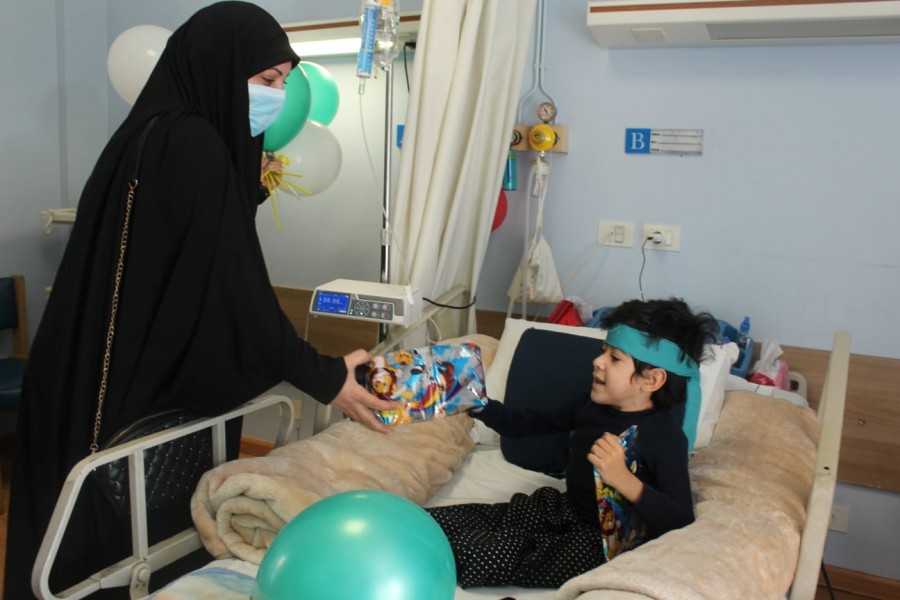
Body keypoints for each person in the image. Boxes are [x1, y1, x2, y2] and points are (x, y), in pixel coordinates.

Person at [4, 3, 396, 597]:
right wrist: (322, 376)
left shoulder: (151, 131)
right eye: (266, 80)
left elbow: (180, 249)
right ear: (219, 67)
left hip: (85, 370)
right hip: (122, 391)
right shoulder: (192, 143)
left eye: (283, 83)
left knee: (83, 538)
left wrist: (243, 189)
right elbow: (231, 289)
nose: (276, 97)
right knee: (113, 534)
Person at [426, 298, 718, 588]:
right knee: (441, 522)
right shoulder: (591, 406)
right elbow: (524, 424)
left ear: (651, 380)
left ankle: (440, 556)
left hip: (599, 540)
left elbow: (680, 518)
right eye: (603, 352)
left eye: (615, 358)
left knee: (480, 553)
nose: (597, 362)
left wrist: (623, 479)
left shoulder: (665, 438)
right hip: (564, 508)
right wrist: (480, 405)